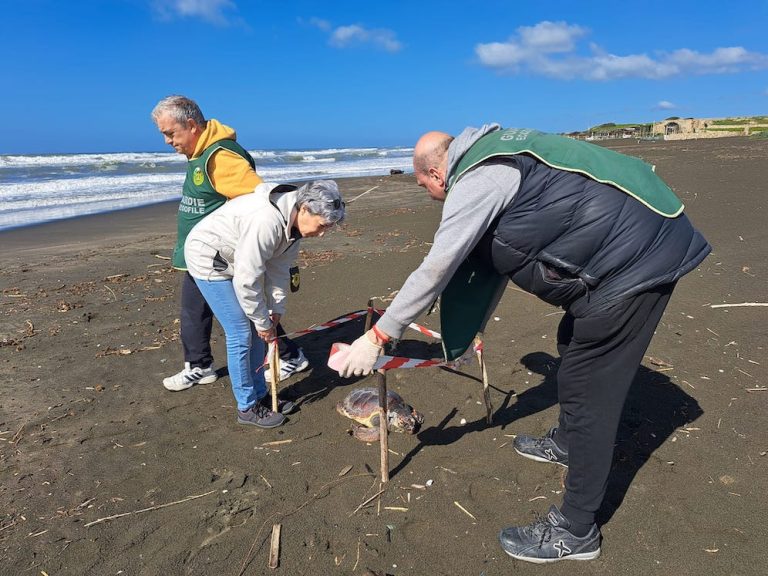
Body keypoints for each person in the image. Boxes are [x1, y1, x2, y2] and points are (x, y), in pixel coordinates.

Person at [334, 125, 710, 562]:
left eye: (423, 186)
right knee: (571, 341)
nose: (428, 194)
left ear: (437, 174)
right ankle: (567, 444)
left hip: (637, 261)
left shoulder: (475, 181)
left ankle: (576, 531)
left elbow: (436, 268)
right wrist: (474, 322)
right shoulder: (494, 158)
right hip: (629, 246)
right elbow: (493, 264)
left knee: (591, 392)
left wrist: (379, 336)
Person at [151, 95, 309, 392]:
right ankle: (199, 365)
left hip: (222, 255)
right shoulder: (199, 152)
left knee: (248, 312)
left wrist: (255, 247)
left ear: (191, 125)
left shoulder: (221, 157)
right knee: (194, 311)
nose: (167, 141)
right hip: (200, 253)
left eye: (170, 133)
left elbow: (259, 198)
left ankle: (288, 355)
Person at [185, 180, 345, 428]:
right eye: (322, 225)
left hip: (238, 259)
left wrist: (275, 311)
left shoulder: (293, 227)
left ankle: (261, 395)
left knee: (261, 328)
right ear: (304, 209)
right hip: (209, 258)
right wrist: (261, 322)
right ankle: (247, 407)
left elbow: (279, 269)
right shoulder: (266, 222)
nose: (322, 233)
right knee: (240, 331)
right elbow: (247, 280)